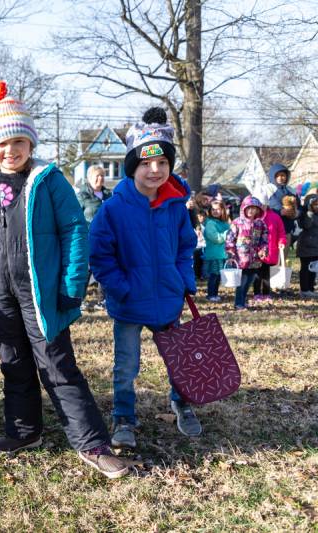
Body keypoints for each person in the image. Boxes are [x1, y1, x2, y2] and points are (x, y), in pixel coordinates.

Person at [0, 81, 128, 478]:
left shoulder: (49, 181)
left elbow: (75, 231)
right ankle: (24, 431)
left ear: (30, 145)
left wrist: (71, 284)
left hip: (40, 295)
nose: (9, 151)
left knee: (58, 366)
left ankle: (92, 443)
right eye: (1, 145)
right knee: (13, 364)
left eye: (17, 143)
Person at [89, 107, 200, 449]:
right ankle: (124, 415)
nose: (155, 170)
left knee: (177, 357)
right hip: (129, 302)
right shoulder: (113, 208)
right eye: (146, 164)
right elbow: (100, 255)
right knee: (126, 365)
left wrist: (183, 280)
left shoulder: (175, 206)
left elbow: (185, 246)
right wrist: (120, 288)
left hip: (168, 298)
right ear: (133, 166)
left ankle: (181, 402)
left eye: (163, 163)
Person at [77, 165, 113, 310]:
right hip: (88, 240)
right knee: (86, 271)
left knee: (105, 269)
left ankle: (102, 300)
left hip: (106, 240)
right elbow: (76, 218)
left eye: (102, 176)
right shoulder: (82, 196)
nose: (100, 179)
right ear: (89, 178)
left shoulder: (109, 196)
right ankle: (79, 301)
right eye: (97, 176)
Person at [225, 196, 268, 311]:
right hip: (241, 258)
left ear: (258, 210)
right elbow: (230, 239)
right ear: (243, 208)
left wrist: (263, 250)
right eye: (249, 208)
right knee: (241, 282)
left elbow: (264, 240)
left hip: (255, 259)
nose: (251, 211)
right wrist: (231, 252)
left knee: (249, 281)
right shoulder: (237, 222)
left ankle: (243, 301)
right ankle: (238, 303)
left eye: (254, 208)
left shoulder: (261, 224)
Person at [252, 189, 286, 303]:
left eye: (263, 204)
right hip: (256, 252)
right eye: (259, 204)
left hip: (270, 251)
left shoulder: (275, 217)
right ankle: (256, 293)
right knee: (257, 275)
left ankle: (266, 294)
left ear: (267, 204)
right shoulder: (253, 218)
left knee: (266, 275)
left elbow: (281, 232)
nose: (261, 207)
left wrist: (281, 243)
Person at [203, 200, 230, 302]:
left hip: (221, 254)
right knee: (213, 276)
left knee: (218, 276)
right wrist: (227, 233)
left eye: (218, 209)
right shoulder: (210, 223)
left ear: (222, 210)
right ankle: (210, 294)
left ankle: (215, 294)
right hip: (214, 254)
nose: (215, 211)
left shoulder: (223, 222)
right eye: (213, 209)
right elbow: (217, 238)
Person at [268, 163, 300, 236]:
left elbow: (300, 207)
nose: (280, 178)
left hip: (287, 230)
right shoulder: (267, 189)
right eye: (277, 175)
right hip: (272, 229)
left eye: (282, 175)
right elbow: (262, 209)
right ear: (272, 176)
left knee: (285, 247)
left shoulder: (291, 190)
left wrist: (296, 213)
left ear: (286, 176)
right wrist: (280, 212)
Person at [296, 193, 318, 296]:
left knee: (314, 268)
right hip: (306, 246)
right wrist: (309, 212)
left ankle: (310, 289)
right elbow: (306, 225)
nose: (317, 206)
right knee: (305, 268)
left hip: (316, 246)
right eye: (314, 204)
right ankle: (304, 289)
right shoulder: (305, 214)